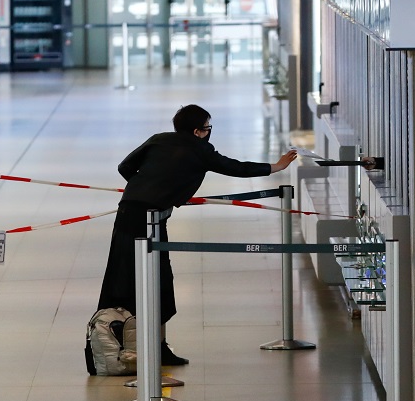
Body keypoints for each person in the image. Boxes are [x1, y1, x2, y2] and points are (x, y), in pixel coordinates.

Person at [97, 104, 298, 365]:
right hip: (151, 220)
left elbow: (125, 167)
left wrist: (146, 185)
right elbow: (234, 167)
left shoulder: (158, 140)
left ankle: (124, 345)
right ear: (197, 131)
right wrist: (275, 167)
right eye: (207, 128)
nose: (208, 133)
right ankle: (154, 349)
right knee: (158, 281)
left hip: (127, 213)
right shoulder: (200, 149)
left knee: (123, 277)